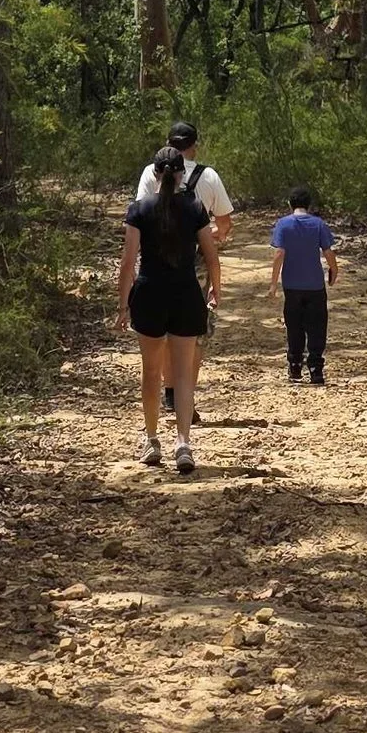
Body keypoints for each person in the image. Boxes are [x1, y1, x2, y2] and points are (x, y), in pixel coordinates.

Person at [118, 141, 222, 473]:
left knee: (150, 372)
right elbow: (211, 255)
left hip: (149, 293)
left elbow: (128, 263)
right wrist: (215, 289)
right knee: (182, 375)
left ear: (154, 173)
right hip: (185, 294)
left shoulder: (139, 209)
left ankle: (151, 439)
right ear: (181, 175)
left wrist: (122, 305)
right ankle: (183, 443)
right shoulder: (194, 207)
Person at [133, 120, 232, 420]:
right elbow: (224, 224)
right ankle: (185, 396)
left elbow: (140, 215)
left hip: (154, 261)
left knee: (160, 331)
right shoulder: (208, 176)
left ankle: (169, 392)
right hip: (195, 262)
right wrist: (207, 236)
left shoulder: (150, 172)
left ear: (168, 144)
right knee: (193, 331)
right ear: (194, 146)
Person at [269, 186, 339, 385]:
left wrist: (273, 283)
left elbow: (279, 253)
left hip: (292, 286)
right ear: (309, 205)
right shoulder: (318, 224)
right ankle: (316, 369)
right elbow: (328, 251)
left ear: (290, 204)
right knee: (317, 326)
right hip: (315, 285)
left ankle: (295, 365)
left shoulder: (283, 224)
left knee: (294, 326)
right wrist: (334, 270)